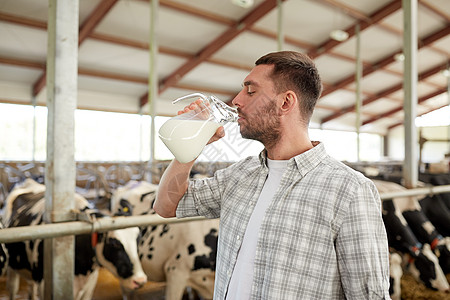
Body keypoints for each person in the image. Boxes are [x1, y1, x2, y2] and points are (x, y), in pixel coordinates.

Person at [154, 51, 391, 299]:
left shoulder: (350, 190)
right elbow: (167, 205)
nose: (236, 100)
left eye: (250, 90)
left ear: (286, 102)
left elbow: (369, 295)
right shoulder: (240, 175)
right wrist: (191, 145)